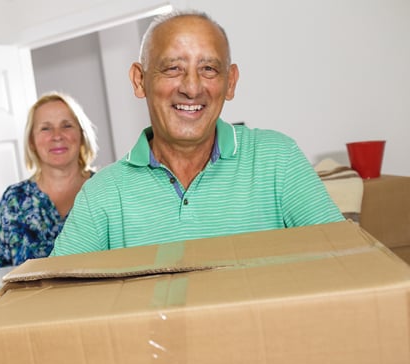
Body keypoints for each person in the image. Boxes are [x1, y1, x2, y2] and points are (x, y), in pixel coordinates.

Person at [50, 9, 344, 257]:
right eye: (173, 68)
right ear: (140, 81)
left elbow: (346, 261)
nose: (191, 88)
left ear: (230, 82)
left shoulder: (278, 159)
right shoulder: (103, 193)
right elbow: (56, 295)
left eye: (208, 69)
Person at [0, 91, 98, 267]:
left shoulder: (104, 189)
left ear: (82, 135)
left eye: (67, 126)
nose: (57, 136)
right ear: (32, 141)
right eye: (45, 128)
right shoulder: (15, 200)